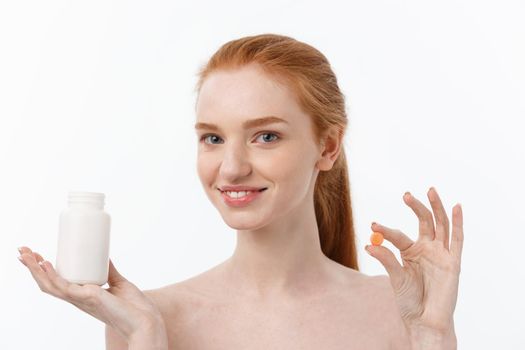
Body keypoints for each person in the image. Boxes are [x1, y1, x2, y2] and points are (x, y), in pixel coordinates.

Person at [18, 33, 463, 349]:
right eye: (212, 138)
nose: (231, 168)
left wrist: (432, 339)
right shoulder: (147, 319)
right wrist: (148, 341)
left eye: (265, 136)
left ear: (327, 147)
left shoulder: (401, 311)